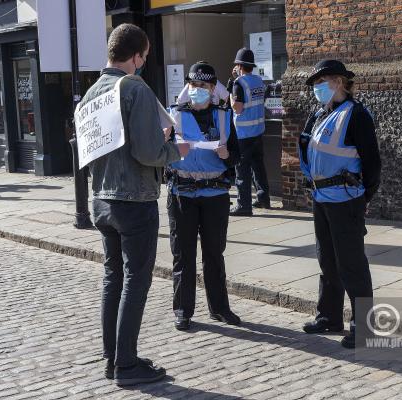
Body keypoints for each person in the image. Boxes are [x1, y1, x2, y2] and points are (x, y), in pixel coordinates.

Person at [82, 23, 190, 385]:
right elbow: (147, 152)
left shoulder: (91, 93)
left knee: (112, 278)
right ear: (137, 55)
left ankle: (113, 358)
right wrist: (174, 150)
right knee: (134, 281)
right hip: (133, 200)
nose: (144, 62)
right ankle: (127, 365)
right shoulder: (135, 88)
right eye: (144, 56)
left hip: (101, 199)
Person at [298, 59, 381, 349]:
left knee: (352, 264)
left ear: (338, 82)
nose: (317, 89)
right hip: (322, 198)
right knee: (327, 260)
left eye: (322, 83)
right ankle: (329, 316)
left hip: (346, 200)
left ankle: (364, 328)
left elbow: (372, 162)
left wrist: (364, 197)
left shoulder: (356, 115)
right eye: (315, 85)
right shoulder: (320, 114)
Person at [166, 62, 241, 331]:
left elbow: (237, 155)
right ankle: (183, 310)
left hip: (215, 194)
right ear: (189, 86)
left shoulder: (223, 116)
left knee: (214, 254)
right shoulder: (172, 115)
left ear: (213, 89)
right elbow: (158, 154)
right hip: (182, 194)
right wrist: (171, 147)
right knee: (183, 255)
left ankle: (219, 308)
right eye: (194, 85)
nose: (199, 90)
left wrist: (227, 155)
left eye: (204, 86)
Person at [228, 48, 270, 216]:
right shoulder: (259, 80)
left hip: (243, 134)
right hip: (258, 131)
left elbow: (237, 109)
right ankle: (263, 198)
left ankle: (243, 205)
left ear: (239, 65)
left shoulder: (239, 83)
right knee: (258, 166)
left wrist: (232, 92)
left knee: (242, 171)